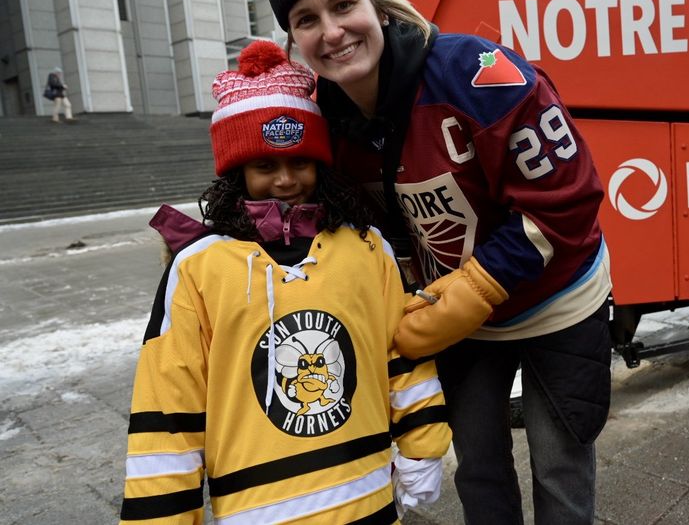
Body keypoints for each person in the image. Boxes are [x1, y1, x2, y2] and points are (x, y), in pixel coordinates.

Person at [259, 0, 613, 525]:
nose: (332, 31)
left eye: (344, 4)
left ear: (378, 5)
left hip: (559, 298)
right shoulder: (322, 118)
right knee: (476, 462)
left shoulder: (478, 74)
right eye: (306, 18)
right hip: (457, 318)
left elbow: (572, 198)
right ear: (294, 39)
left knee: (559, 464)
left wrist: (479, 281)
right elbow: (307, 209)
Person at [118, 40, 451, 524]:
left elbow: (401, 352)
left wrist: (422, 444)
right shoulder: (198, 267)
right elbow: (169, 402)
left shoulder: (365, 247)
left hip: (369, 498)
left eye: (300, 162)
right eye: (265, 166)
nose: (285, 180)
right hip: (258, 511)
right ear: (237, 172)